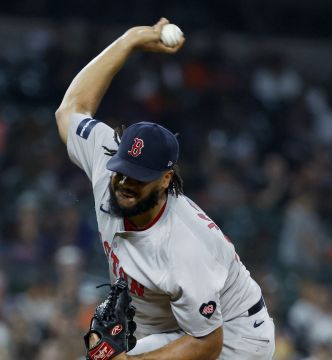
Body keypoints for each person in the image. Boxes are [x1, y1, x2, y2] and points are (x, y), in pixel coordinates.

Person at [55, 18, 275, 359]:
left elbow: (207, 343)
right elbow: (71, 109)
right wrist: (127, 41)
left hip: (234, 338)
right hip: (172, 322)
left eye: (139, 177)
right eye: (122, 171)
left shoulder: (185, 246)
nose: (125, 183)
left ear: (166, 179)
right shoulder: (107, 162)